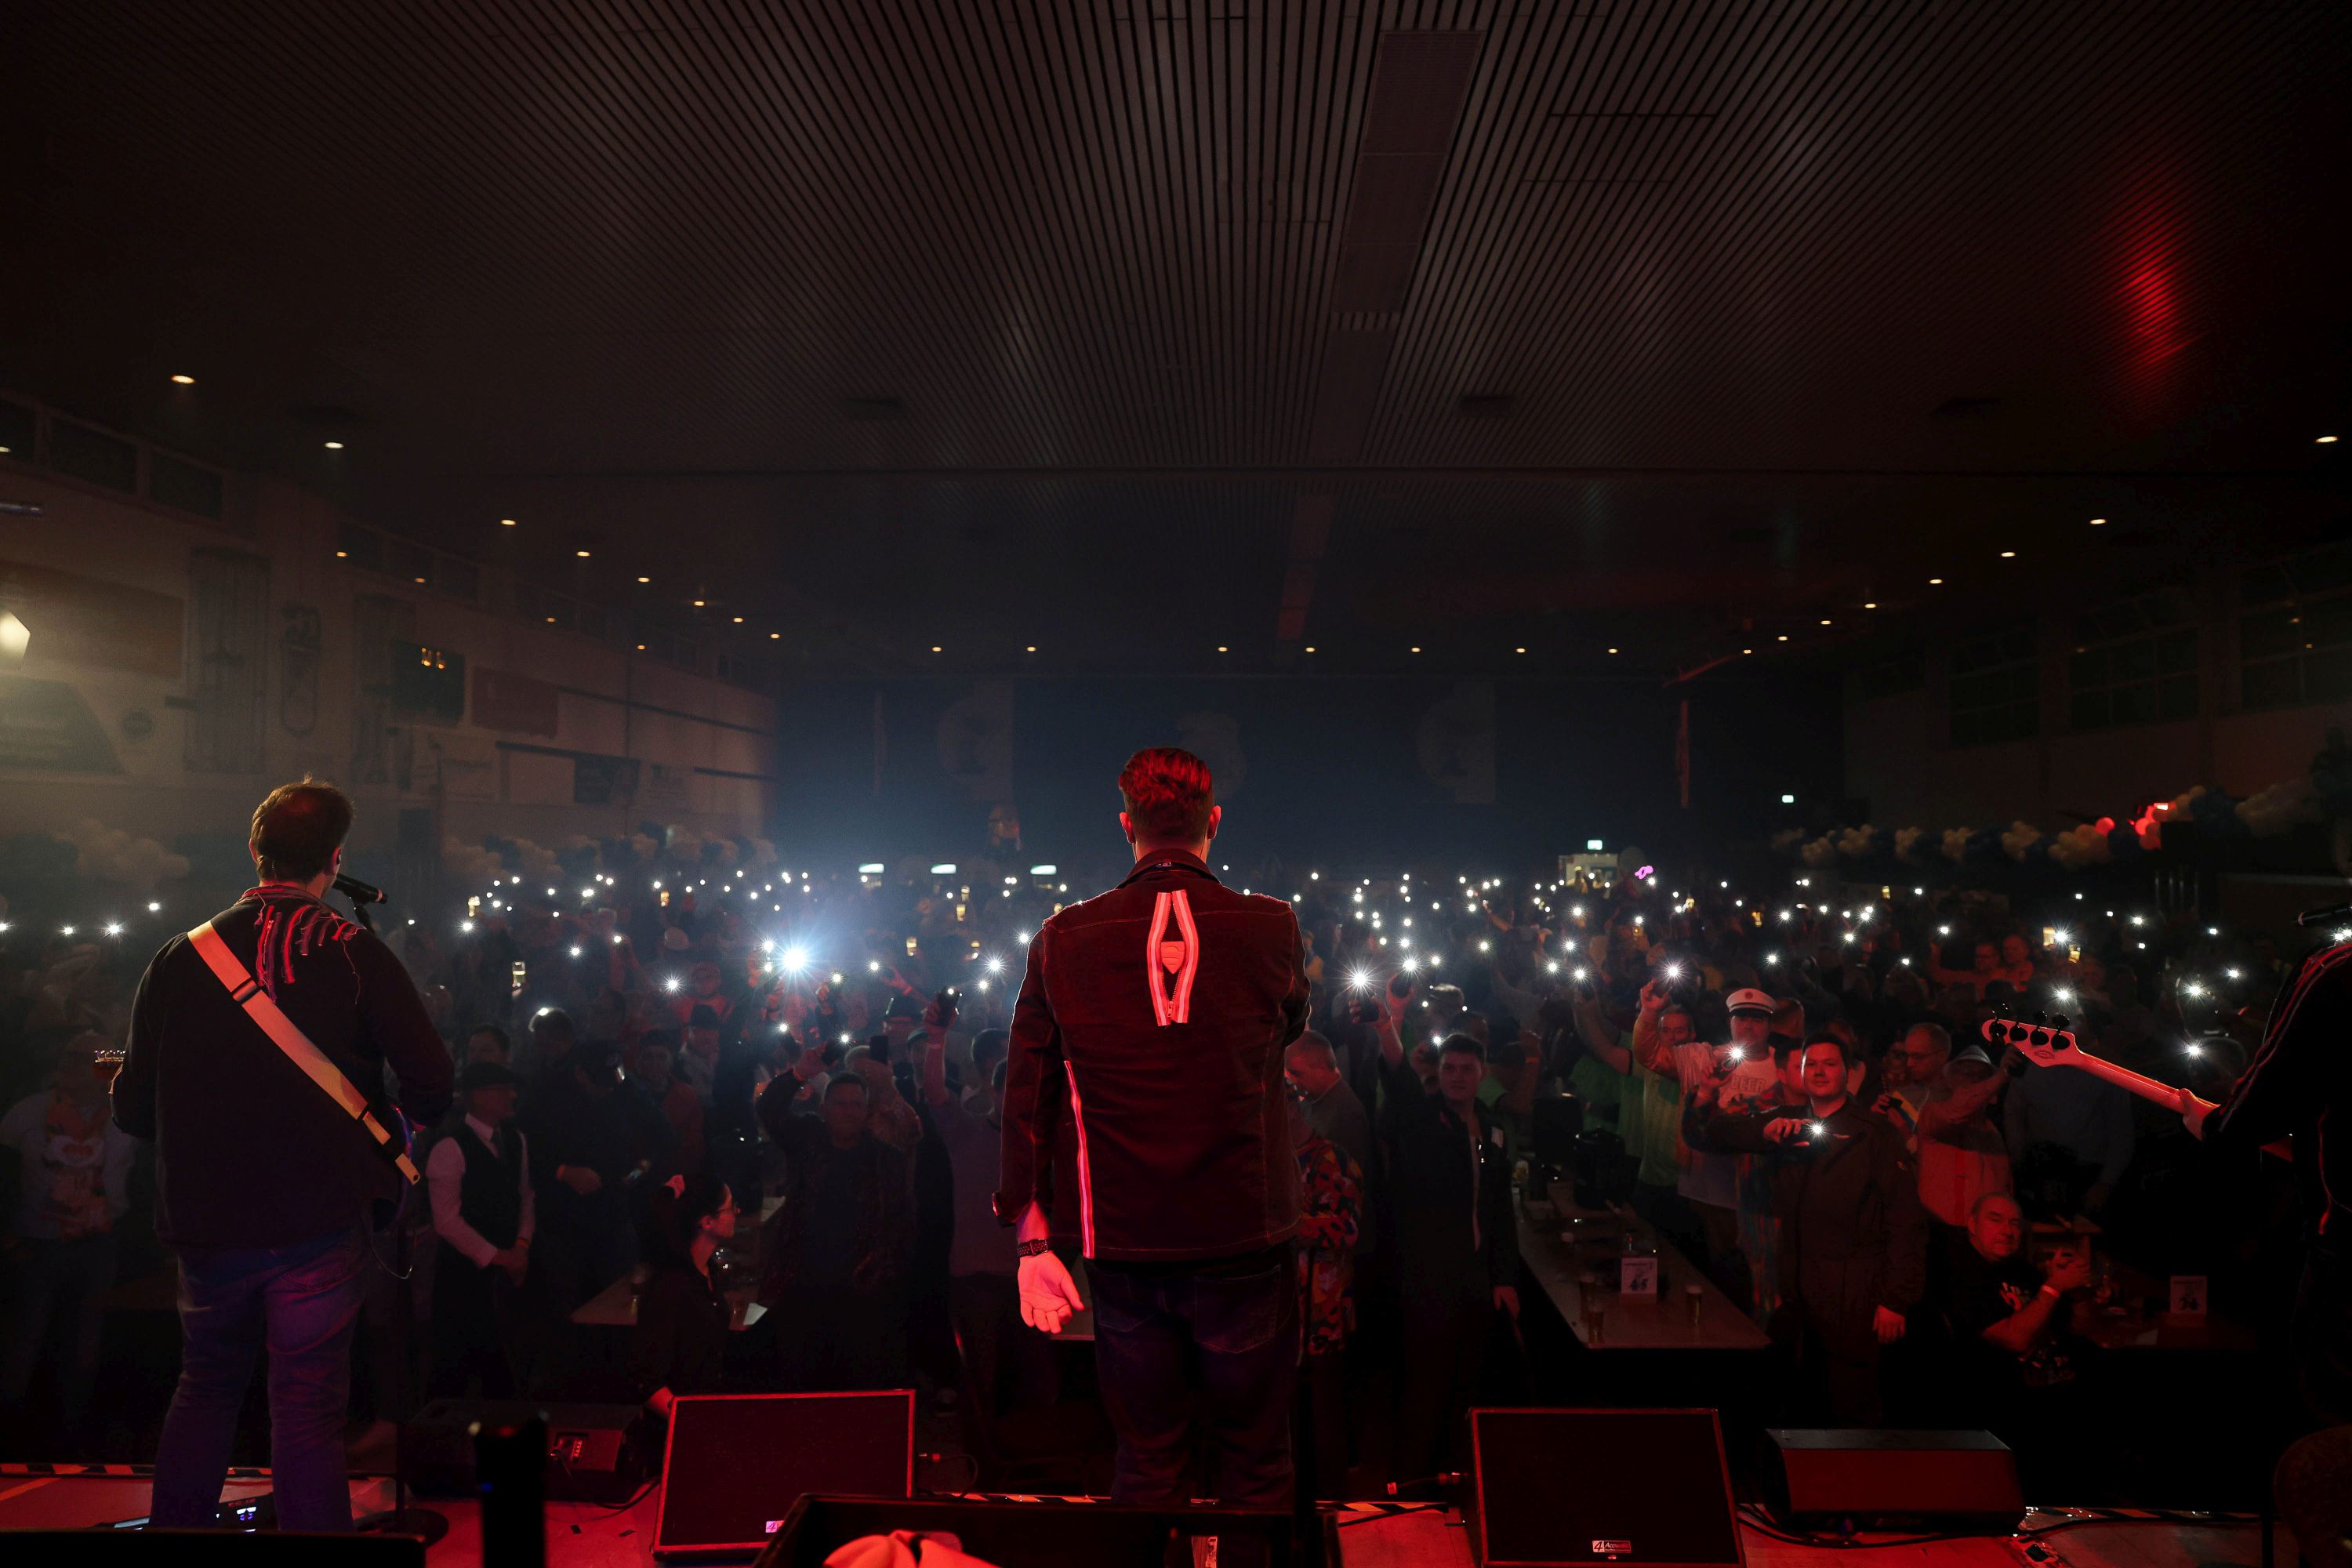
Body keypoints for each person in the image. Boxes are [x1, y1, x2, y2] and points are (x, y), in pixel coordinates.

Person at [114, 779, 452, 1531]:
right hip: (318, 1219)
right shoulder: (356, 952)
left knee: (205, 1390)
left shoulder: (177, 957)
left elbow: (132, 1110)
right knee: (306, 1408)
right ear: (335, 860)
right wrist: (386, 1128)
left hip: (206, 1223)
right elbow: (433, 1083)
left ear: (255, 850)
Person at [996, 747, 1310, 1543]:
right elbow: (1289, 1025)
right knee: (1257, 1465)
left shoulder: (1063, 937)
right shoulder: (1272, 925)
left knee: (1146, 1460)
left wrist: (1032, 1237)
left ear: (1126, 825)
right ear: (1214, 822)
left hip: (1126, 1245)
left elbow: (1026, 1091)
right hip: (1244, 1237)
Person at [1706, 1034, 1926, 1425]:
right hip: (1797, 1285)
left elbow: (1906, 1219)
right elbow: (1717, 1133)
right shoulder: (1789, 1121)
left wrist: (1896, 1300)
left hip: (1854, 1291)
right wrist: (1764, 1132)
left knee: (1850, 1402)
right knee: (1801, 1401)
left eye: (1830, 1064)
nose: (1820, 1071)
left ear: (1848, 1073)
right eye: (1812, 1064)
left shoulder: (1873, 1132)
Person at [2178, 935, 2352, 1426]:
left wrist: (2216, 1125)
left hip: (2345, 1241)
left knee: (2329, 1412)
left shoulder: (2338, 969)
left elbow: (2269, 1096)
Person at [1374, 1000, 1518, 1484]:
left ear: (1482, 1074)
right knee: (1425, 1389)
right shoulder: (1424, 1121)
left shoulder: (1493, 1129)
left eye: (1466, 1069)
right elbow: (1399, 1085)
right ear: (1438, 1072)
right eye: (1449, 1069)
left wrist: (1504, 1279)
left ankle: (1460, 1484)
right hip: (1428, 1277)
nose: (1457, 1077)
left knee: (1468, 1388)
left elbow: (1500, 1211)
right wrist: (1389, 1023)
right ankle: (1411, 1490)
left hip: (1474, 1278)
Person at [0, 1032, 138, 1452]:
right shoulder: (28, 1112)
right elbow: (3, 1178)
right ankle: (9, 1440)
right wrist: (9, 1241)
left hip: (98, 1246)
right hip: (35, 1244)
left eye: (106, 1060)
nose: (102, 1068)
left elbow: (141, 1179)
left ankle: (73, 1438)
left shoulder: (126, 1116)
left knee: (85, 1345)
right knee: (23, 1343)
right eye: (79, 1058)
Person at [920, 1000, 1055, 1416]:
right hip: (977, 1277)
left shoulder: (1042, 1146)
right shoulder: (968, 1133)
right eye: (1009, 1090)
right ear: (994, 1092)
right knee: (982, 1382)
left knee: (1035, 1386)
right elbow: (935, 1094)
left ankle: (1026, 1453)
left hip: (1030, 1278)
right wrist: (937, 1042)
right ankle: (985, 1451)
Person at [757, 1065, 915, 1391]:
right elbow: (769, 1108)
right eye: (841, 1104)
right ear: (824, 1108)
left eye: (856, 1104)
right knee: (803, 1383)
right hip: (803, 1284)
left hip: (863, 1291)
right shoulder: (807, 1143)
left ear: (866, 1110)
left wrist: (887, 1276)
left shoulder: (887, 1160)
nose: (848, 1111)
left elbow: (900, 1224)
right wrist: (799, 1072)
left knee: (856, 1385)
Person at [1942, 1193, 2092, 1483]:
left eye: (2014, 1223)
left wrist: (2076, 1291)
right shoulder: (1964, 1276)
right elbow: (2015, 1340)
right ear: (1972, 1224)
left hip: (2063, 1387)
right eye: (1995, 1220)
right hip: (2011, 1404)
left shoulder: (2022, 1271)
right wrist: (2053, 1287)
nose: (2007, 1230)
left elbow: (2083, 1328)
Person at [425, 1061, 533, 1398]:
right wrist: (498, 1256)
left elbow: (526, 1195)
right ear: (480, 1097)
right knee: (457, 1367)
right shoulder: (449, 1147)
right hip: (463, 1276)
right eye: (504, 1090)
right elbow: (446, 1221)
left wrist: (521, 1245)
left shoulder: (515, 1139)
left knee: (507, 1365)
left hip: (507, 1269)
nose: (512, 1096)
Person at [1290, 1091, 1362, 1501]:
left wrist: (1286, 1225)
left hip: (1322, 1318)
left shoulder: (1333, 1159)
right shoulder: (1269, 1158)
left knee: (1324, 1421)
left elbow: (1347, 1229)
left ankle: (1331, 1512)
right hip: (1277, 1318)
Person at [631, 1173, 739, 1421]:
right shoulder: (671, 1287)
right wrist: (690, 1422)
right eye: (730, 1206)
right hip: (679, 1430)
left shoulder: (708, 1272)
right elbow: (647, 1382)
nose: (738, 1211)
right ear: (707, 1222)